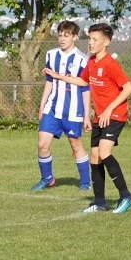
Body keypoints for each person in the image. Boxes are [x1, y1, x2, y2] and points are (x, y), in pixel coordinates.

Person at [55, 22, 131, 214]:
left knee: (105, 153)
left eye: (95, 39)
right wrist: (59, 77)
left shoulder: (110, 64)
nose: (90, 42)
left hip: (115, 115)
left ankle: (126, 196)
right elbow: (83, 81)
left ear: (106, 42)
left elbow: (128, 88)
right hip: (100, 117)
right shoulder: (91, 62)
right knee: (94, 157)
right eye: (89, 38)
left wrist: (109, 109)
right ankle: (99, 201)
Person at [34, 20, 91, 191]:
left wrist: (87, 115)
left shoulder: (82, 60)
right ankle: (47, 179)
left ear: (75, 37)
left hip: (72, 111)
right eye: (60, 35)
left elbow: (85, 88)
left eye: (66, 36)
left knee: (75, 145)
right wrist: (42, 104)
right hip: (52, 108)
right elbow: (49, 81)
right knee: (42, 144)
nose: (62, 39)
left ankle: (85, 182)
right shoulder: (51, 55)